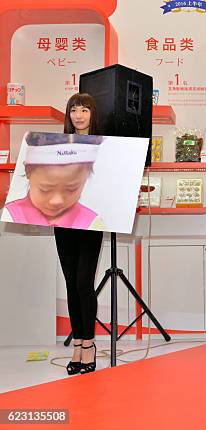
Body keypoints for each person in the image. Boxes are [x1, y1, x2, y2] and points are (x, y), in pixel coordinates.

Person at [57, 93, 103, 375]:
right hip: (62, 221)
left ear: (91, 114)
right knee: (71, 283)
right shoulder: (56, 145)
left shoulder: (104, 146)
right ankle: (77, 342)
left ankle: (89, 345)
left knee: (85, 283)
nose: (78, 115)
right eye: (74, 110)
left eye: (84, 110)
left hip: (90, 221)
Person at [2, 132, 105, 230]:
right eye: (45, 189)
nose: (56, 201)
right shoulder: (9, 215)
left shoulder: (92, 223)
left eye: (71, 189)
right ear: (27, 171)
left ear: (86, 177)